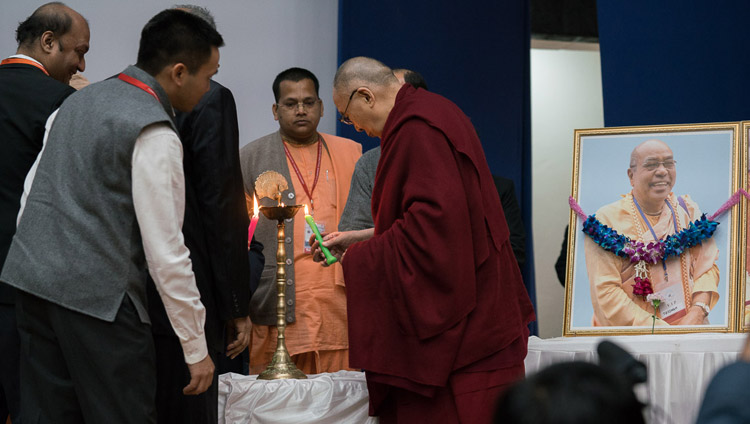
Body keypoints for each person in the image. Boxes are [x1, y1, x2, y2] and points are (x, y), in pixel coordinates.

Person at [0, 9, 222, 422]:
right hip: (100, 304)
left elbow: (31, 199)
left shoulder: (76, 101)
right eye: (208, 76)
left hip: (31, 286)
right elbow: (167, 252)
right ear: (178, 72)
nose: (209, 88)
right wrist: (196, 348)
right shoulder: (153, 127)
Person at [325, 56, 535, 423]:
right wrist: (366, 237)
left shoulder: (417, 128)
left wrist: (360, 258)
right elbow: (453, 219)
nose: (354, 127)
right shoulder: (439, 111)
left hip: (468, 330)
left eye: (346, 114)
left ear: (366, 96)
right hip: (484, 303)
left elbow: (433, 233)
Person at [143, 5, 263, 424]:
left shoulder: (118, 96)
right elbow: (219, 203)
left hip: (129, 297)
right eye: (210, 70)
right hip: (190, 285)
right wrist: (235, 306)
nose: (210, 81)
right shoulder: (212, 99)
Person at [239, 67, 361, 375]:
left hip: (340, 307)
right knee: (276, 407)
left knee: (340, 405)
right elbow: (239, 237)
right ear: (275, 110)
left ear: (321, 107)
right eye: (291, 103)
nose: (301, 110)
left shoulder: (351, 152)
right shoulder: (250, 157)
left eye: (309, 102)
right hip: (276, 306)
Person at [337, 69, 526, 268]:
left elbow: (430, 225)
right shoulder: (372, 161)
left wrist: (358, 250)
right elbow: (416, 225)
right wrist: (356, 242)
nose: (357, 128)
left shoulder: (425, 131)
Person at [0, 3, 89, 422]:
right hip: (27, 283)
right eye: (79, 50)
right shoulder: (60, 101)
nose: (81, 64)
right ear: (48, 42)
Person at [584, 139, 719, 326]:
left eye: (669, 163)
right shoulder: (606, 220)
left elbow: (708, 268)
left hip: (691, 329)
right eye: (652, 165)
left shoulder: (687, 210)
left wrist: (697, 312)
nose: (663, 171)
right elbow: (606, 293)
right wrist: (660, 331)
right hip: (634, 340)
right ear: (631, 176)